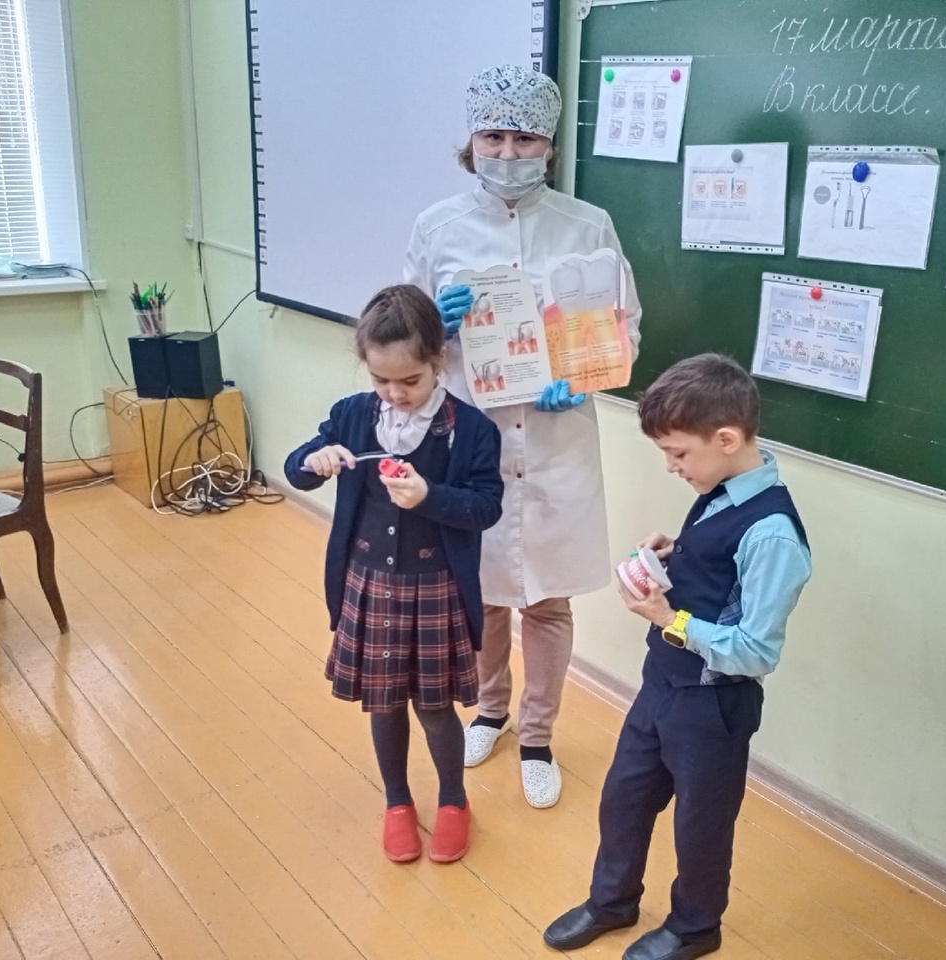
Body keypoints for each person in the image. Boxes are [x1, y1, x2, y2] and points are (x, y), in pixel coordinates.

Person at [405, 64, 642, 808]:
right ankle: (491, 710)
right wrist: (434, 328)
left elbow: (624, 324)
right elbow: (400, 340)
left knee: (547, 602)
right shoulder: (436, 228)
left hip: (554, 436)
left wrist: (588, 374)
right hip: (471, 443)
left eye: (525, 138)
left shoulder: (587, 225)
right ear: (471, 141)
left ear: (550, 145)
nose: (508, 152)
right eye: (494, 137)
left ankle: (538, 735)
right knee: (480, 594)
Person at [543, 354, 812, 960]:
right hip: (662, 685)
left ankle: (695, 928)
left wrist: (670, 619)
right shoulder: (721, 490)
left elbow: (754, 650)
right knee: (624, 800)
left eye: (678, 453)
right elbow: (719, 571)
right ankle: (612, 902)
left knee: (700, 827)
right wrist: (677, 553)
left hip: (714, 706)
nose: (671, 467)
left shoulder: (773, 534)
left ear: (727, 439)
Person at [284, 284, 504, 864]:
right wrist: (313, 462)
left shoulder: (470, 429)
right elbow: (295, 468)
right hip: (368, 583)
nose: (395, 393)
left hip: (435, 588)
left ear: (439, 360)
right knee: (383, 703)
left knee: (433, 706)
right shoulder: (354, 416)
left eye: (410, 380)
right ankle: (397, 802)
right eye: (381, 379)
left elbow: (486, 507)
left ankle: (453, 802)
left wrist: (429, 496)